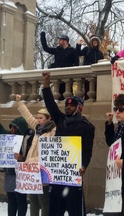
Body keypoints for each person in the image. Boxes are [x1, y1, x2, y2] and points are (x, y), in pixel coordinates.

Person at [41, 72, 95, 216]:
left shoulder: (87, 127)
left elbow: (87, 150)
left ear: (79, 108)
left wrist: (83, 165)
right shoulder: (61, 120)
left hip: (72, 176)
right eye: (66, 105)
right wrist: (46, 85)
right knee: (54, 210)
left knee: (75, 211)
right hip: (58, 176)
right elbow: (51, 105)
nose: (67, 107)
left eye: (71, 106)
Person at [15, 94, 56, 216]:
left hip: (42, 170)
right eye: (37, 118)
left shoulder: (53, 132)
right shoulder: (38, 128)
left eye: (41, 118)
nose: (38, 120)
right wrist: (19, 102)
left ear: (48, 119)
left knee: (43, 200)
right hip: (31, 169)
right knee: (33, 199)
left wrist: (31, 160)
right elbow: (27, 116)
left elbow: (48, 154)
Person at [0, 117, 34, 216]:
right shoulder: (7, 136)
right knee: (11, 200)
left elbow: (31, 157)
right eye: (11, 127)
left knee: (21, 200)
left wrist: (21, 158)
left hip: (21, 175)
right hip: (10, 174)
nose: (12, 130)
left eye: (15, 128)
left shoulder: (28, 139)